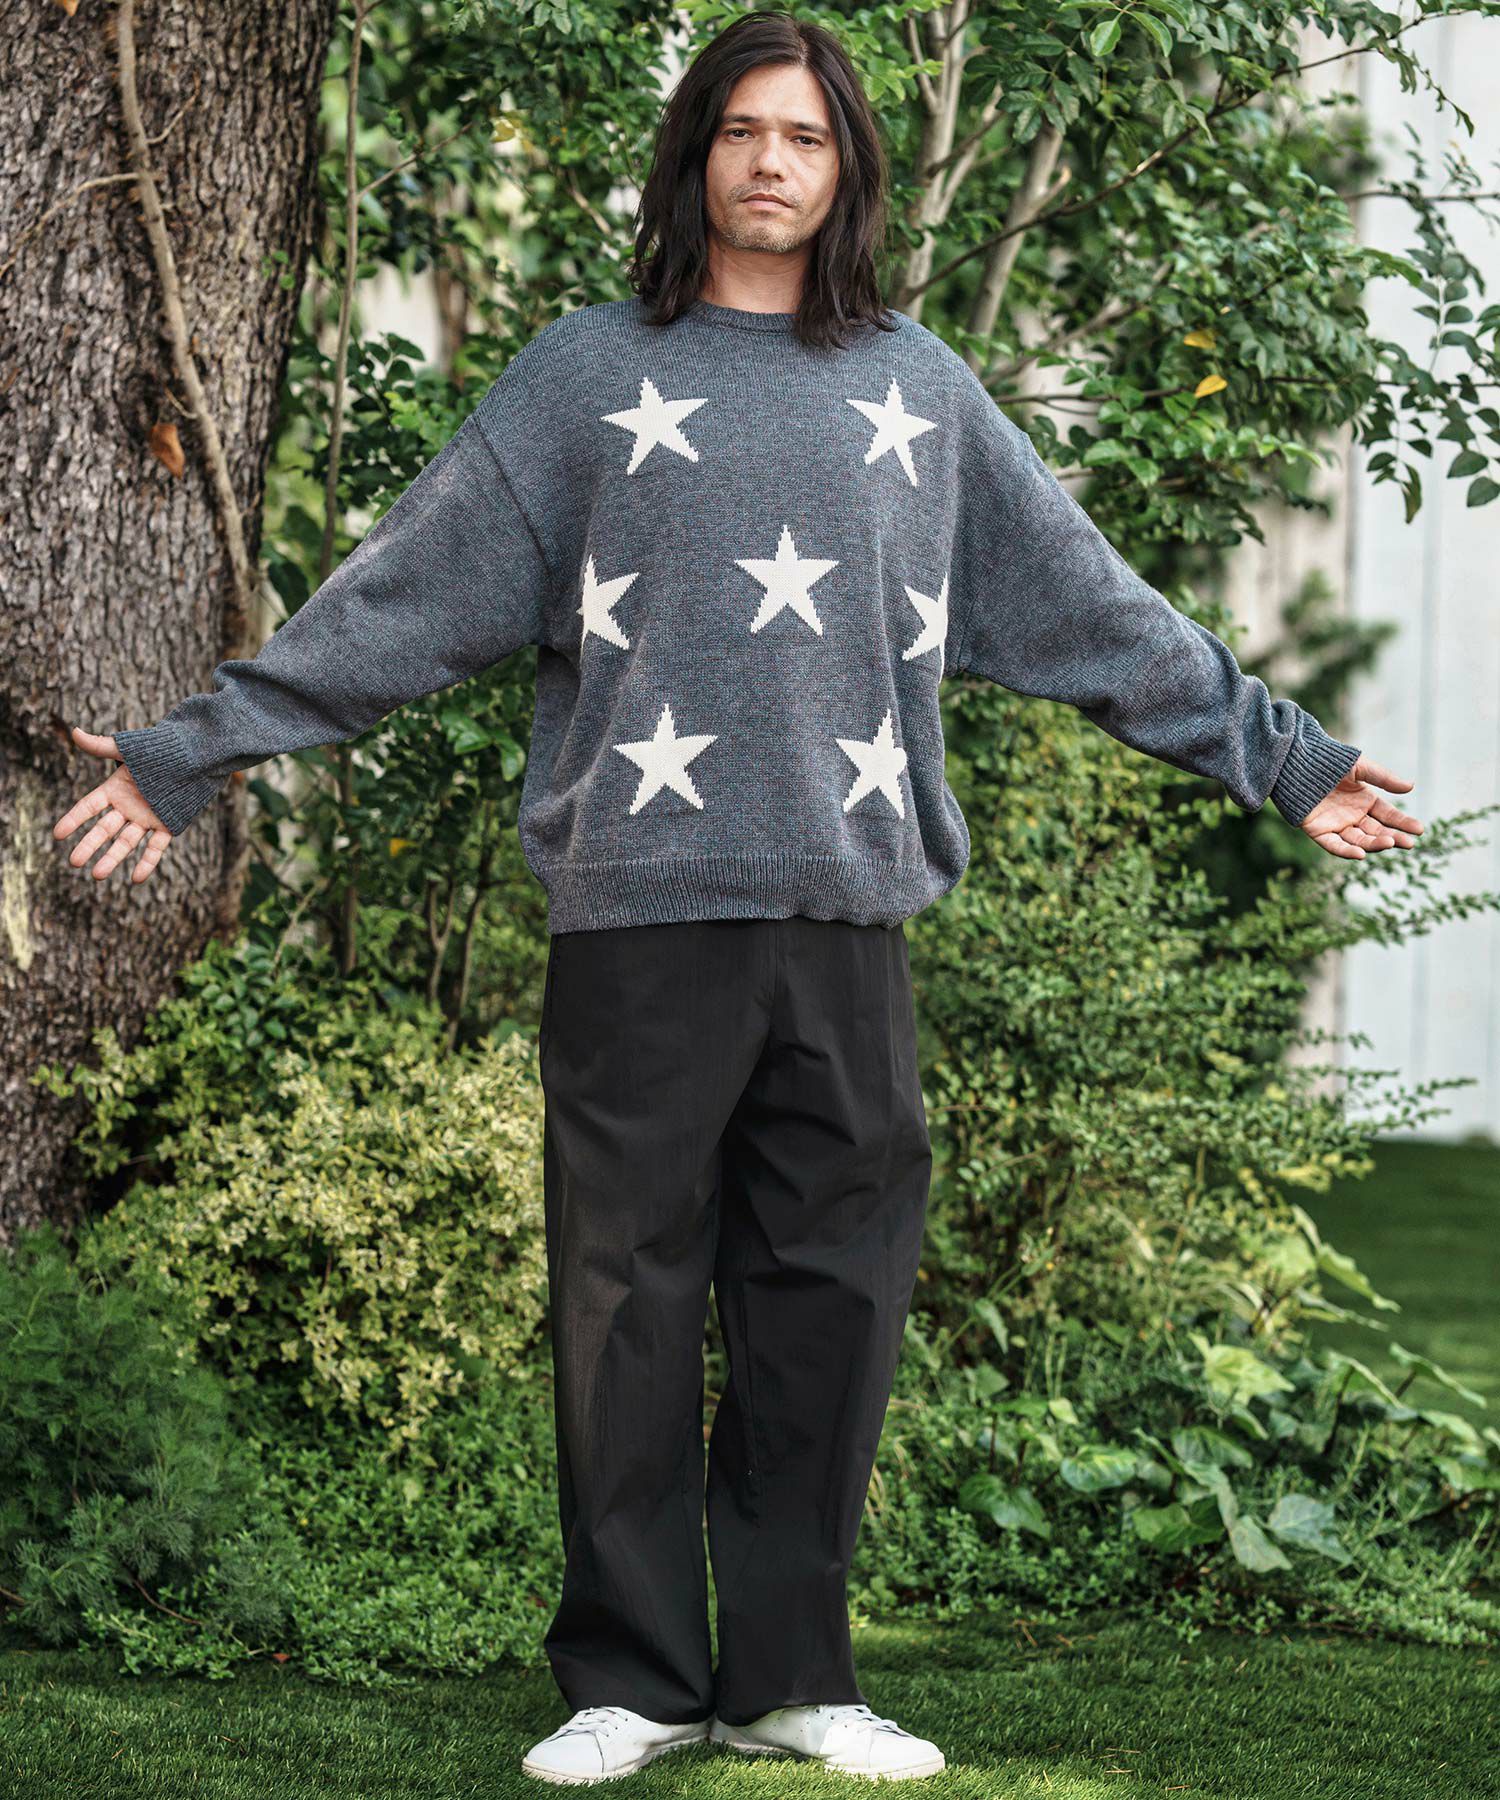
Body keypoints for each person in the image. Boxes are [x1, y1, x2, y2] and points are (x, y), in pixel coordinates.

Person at [51, 10, 1423, 1786]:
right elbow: (396, 601)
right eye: (744, 130)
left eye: (809, 137)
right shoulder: (583, 380)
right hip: (637, 918)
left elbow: (1098, 612)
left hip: (849, 921)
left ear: (848, 170)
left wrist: (1285, 759)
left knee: (828, 1303)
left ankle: (791, 1678)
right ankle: (629, 1681)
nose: (773, 162)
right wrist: (190, 753)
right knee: (623, 1299)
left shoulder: (919, 393)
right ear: (696, 153)